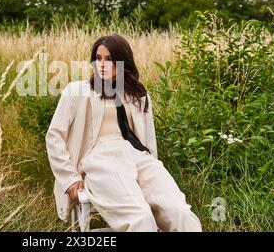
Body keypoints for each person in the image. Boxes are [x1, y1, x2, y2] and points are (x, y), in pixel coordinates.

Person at [45, 34, 202, 232]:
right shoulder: (78, 91)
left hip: (139, 157)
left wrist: (152, 167)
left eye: (109, 59)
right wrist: (70, 178)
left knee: (180, 212)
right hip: (100, 159)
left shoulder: (138, 96)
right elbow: (54, 136)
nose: (101, 64)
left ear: (123, 62)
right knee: (140, 218)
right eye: (98, 58)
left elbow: (148, 140)